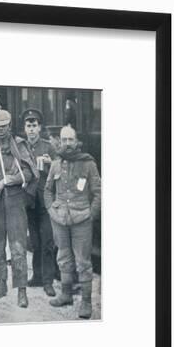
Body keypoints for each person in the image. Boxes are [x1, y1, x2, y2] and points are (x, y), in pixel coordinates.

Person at [0, 106, 38, 308]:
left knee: (18, 247)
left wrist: (8, 180)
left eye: (4, 126)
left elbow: (30, 173)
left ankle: (21, 291)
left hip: (15, 203)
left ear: (10, 126)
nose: (1, 130)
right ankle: (1, 284)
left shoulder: (19, 146)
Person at [44, 125, 101, 319]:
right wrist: (51, 210)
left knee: (83, 262)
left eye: (70, 140)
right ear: (59, 142)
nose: (67, 144)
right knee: (63, 257)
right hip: (59, 218)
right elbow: (48, 189)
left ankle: (86, 302)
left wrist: (91, 214)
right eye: (64, 140)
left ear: (76, 142)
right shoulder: (55, 164)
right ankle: (66, 294)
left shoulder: (87, 163)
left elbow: (98, 192)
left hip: (81, 219)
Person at [21, 109, 57, 297]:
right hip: (29, 200)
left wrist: (51, 164)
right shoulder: (21, 147)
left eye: (35, 126)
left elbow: (60, 171)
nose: (32, 129)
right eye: (29, 126)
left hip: (45, 201)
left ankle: (48, 281)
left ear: (40, 127)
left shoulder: (48, 147)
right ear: (25, 128)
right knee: (34, 241)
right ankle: (37, 276)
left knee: (47, 241)